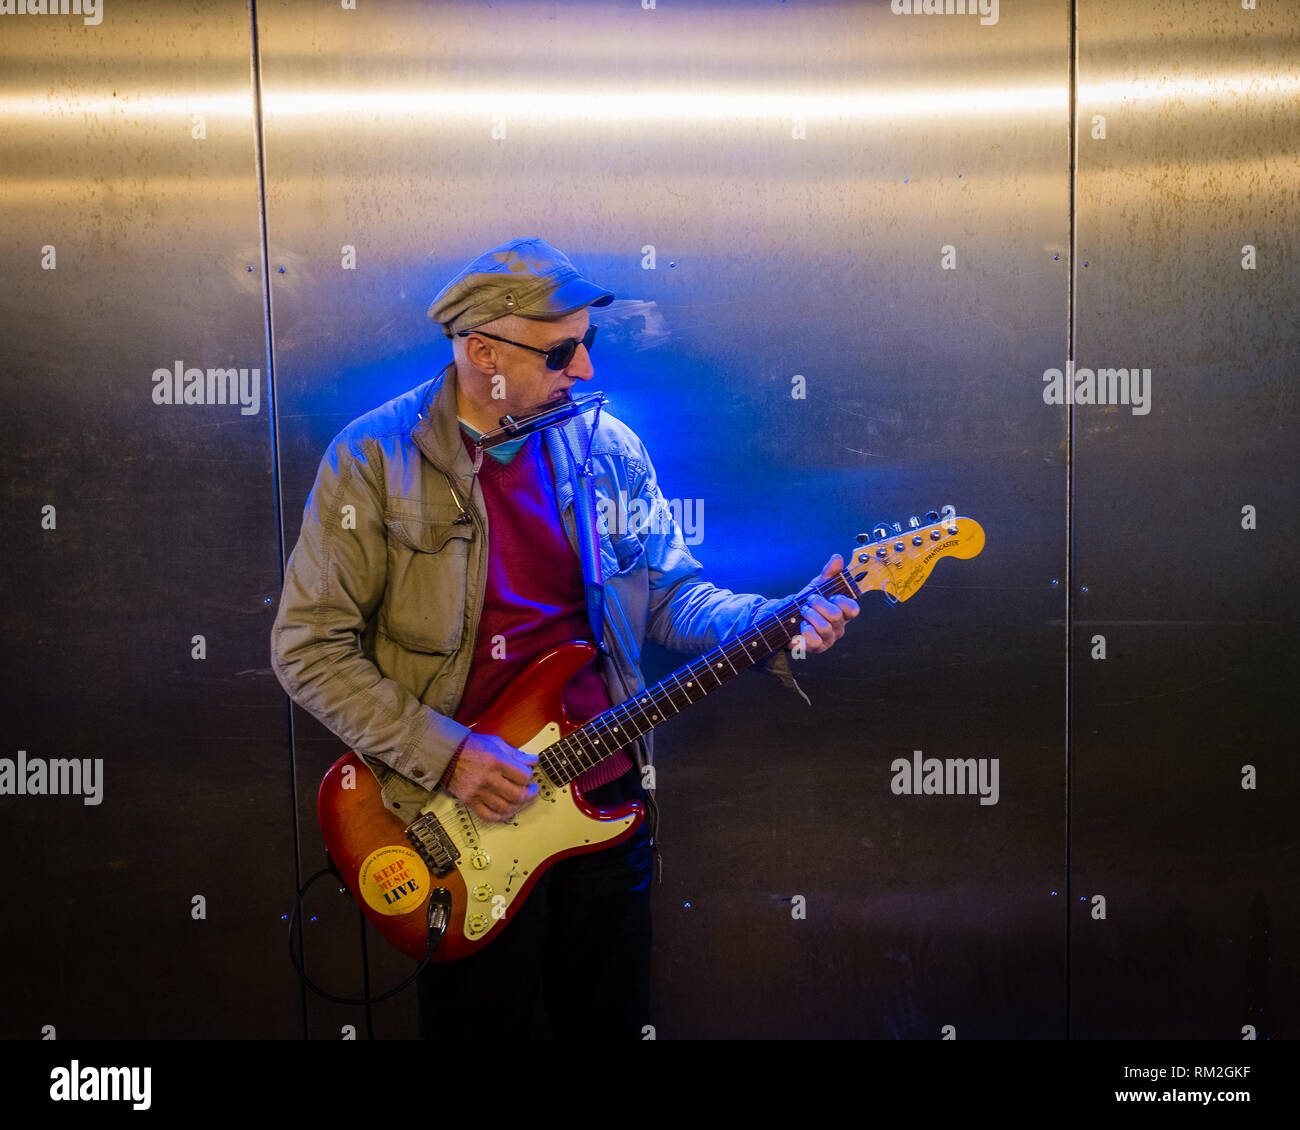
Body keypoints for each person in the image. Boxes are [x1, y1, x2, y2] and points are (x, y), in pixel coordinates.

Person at [270, 237, 859, 1039]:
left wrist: (777, 619)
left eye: (590, 343)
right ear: (483, 352)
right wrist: (448, 754)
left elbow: (671, 598)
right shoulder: (373, 460)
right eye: (560, 351)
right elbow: (309, 648)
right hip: (455, 822)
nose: (584, 371)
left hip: (604, 798)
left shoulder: (606, 450)